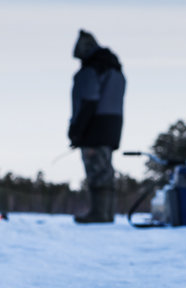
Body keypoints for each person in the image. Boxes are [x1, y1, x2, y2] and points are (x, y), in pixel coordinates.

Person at [68, 29, 126, 223]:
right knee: (105, 170)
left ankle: (100, 213)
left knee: (96, 169)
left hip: (94, 126)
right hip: (112, 125)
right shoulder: (114, 70)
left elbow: (88, 100)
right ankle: (106, 213)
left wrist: (77, 130)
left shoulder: (92, 70)